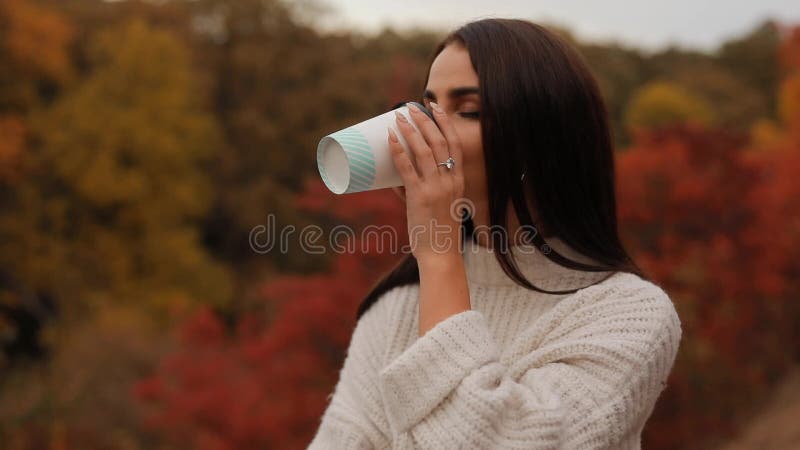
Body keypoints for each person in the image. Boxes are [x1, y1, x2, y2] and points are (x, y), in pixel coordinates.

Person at [308, 18, 681, 450]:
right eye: (428, 108)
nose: (428, 132)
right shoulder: (395, 309)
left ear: (542, 138)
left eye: (468, 111)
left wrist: (439, 251)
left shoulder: (628, 315)